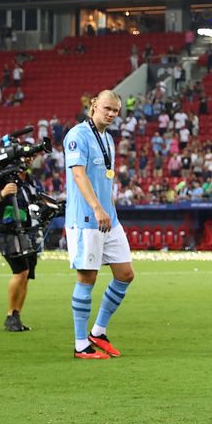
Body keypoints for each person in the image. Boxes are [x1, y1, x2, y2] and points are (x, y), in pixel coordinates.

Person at [64, 90, 135, 360]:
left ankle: (98, 331)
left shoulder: (108, 138)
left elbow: (106, 179)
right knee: (87, 277)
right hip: (85, 219)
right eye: (107, 108)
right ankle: (81, 343)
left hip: (108, 218)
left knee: (125, 273)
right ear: (94, 105)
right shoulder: (77, 135)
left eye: (116, 111)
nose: (112, 114)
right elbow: (79, 175)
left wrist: (109, 211)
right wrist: (96, 208)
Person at [0, 162, 42, 332]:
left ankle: (16, 316)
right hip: (7, 231)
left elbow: (37, 200)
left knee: (27, 273)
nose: (29, 160)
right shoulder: (1, 181)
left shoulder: (30, 182)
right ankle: (10, 315)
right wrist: (3, 193)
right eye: (26, 157)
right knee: (20, 271)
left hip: (26, 231)